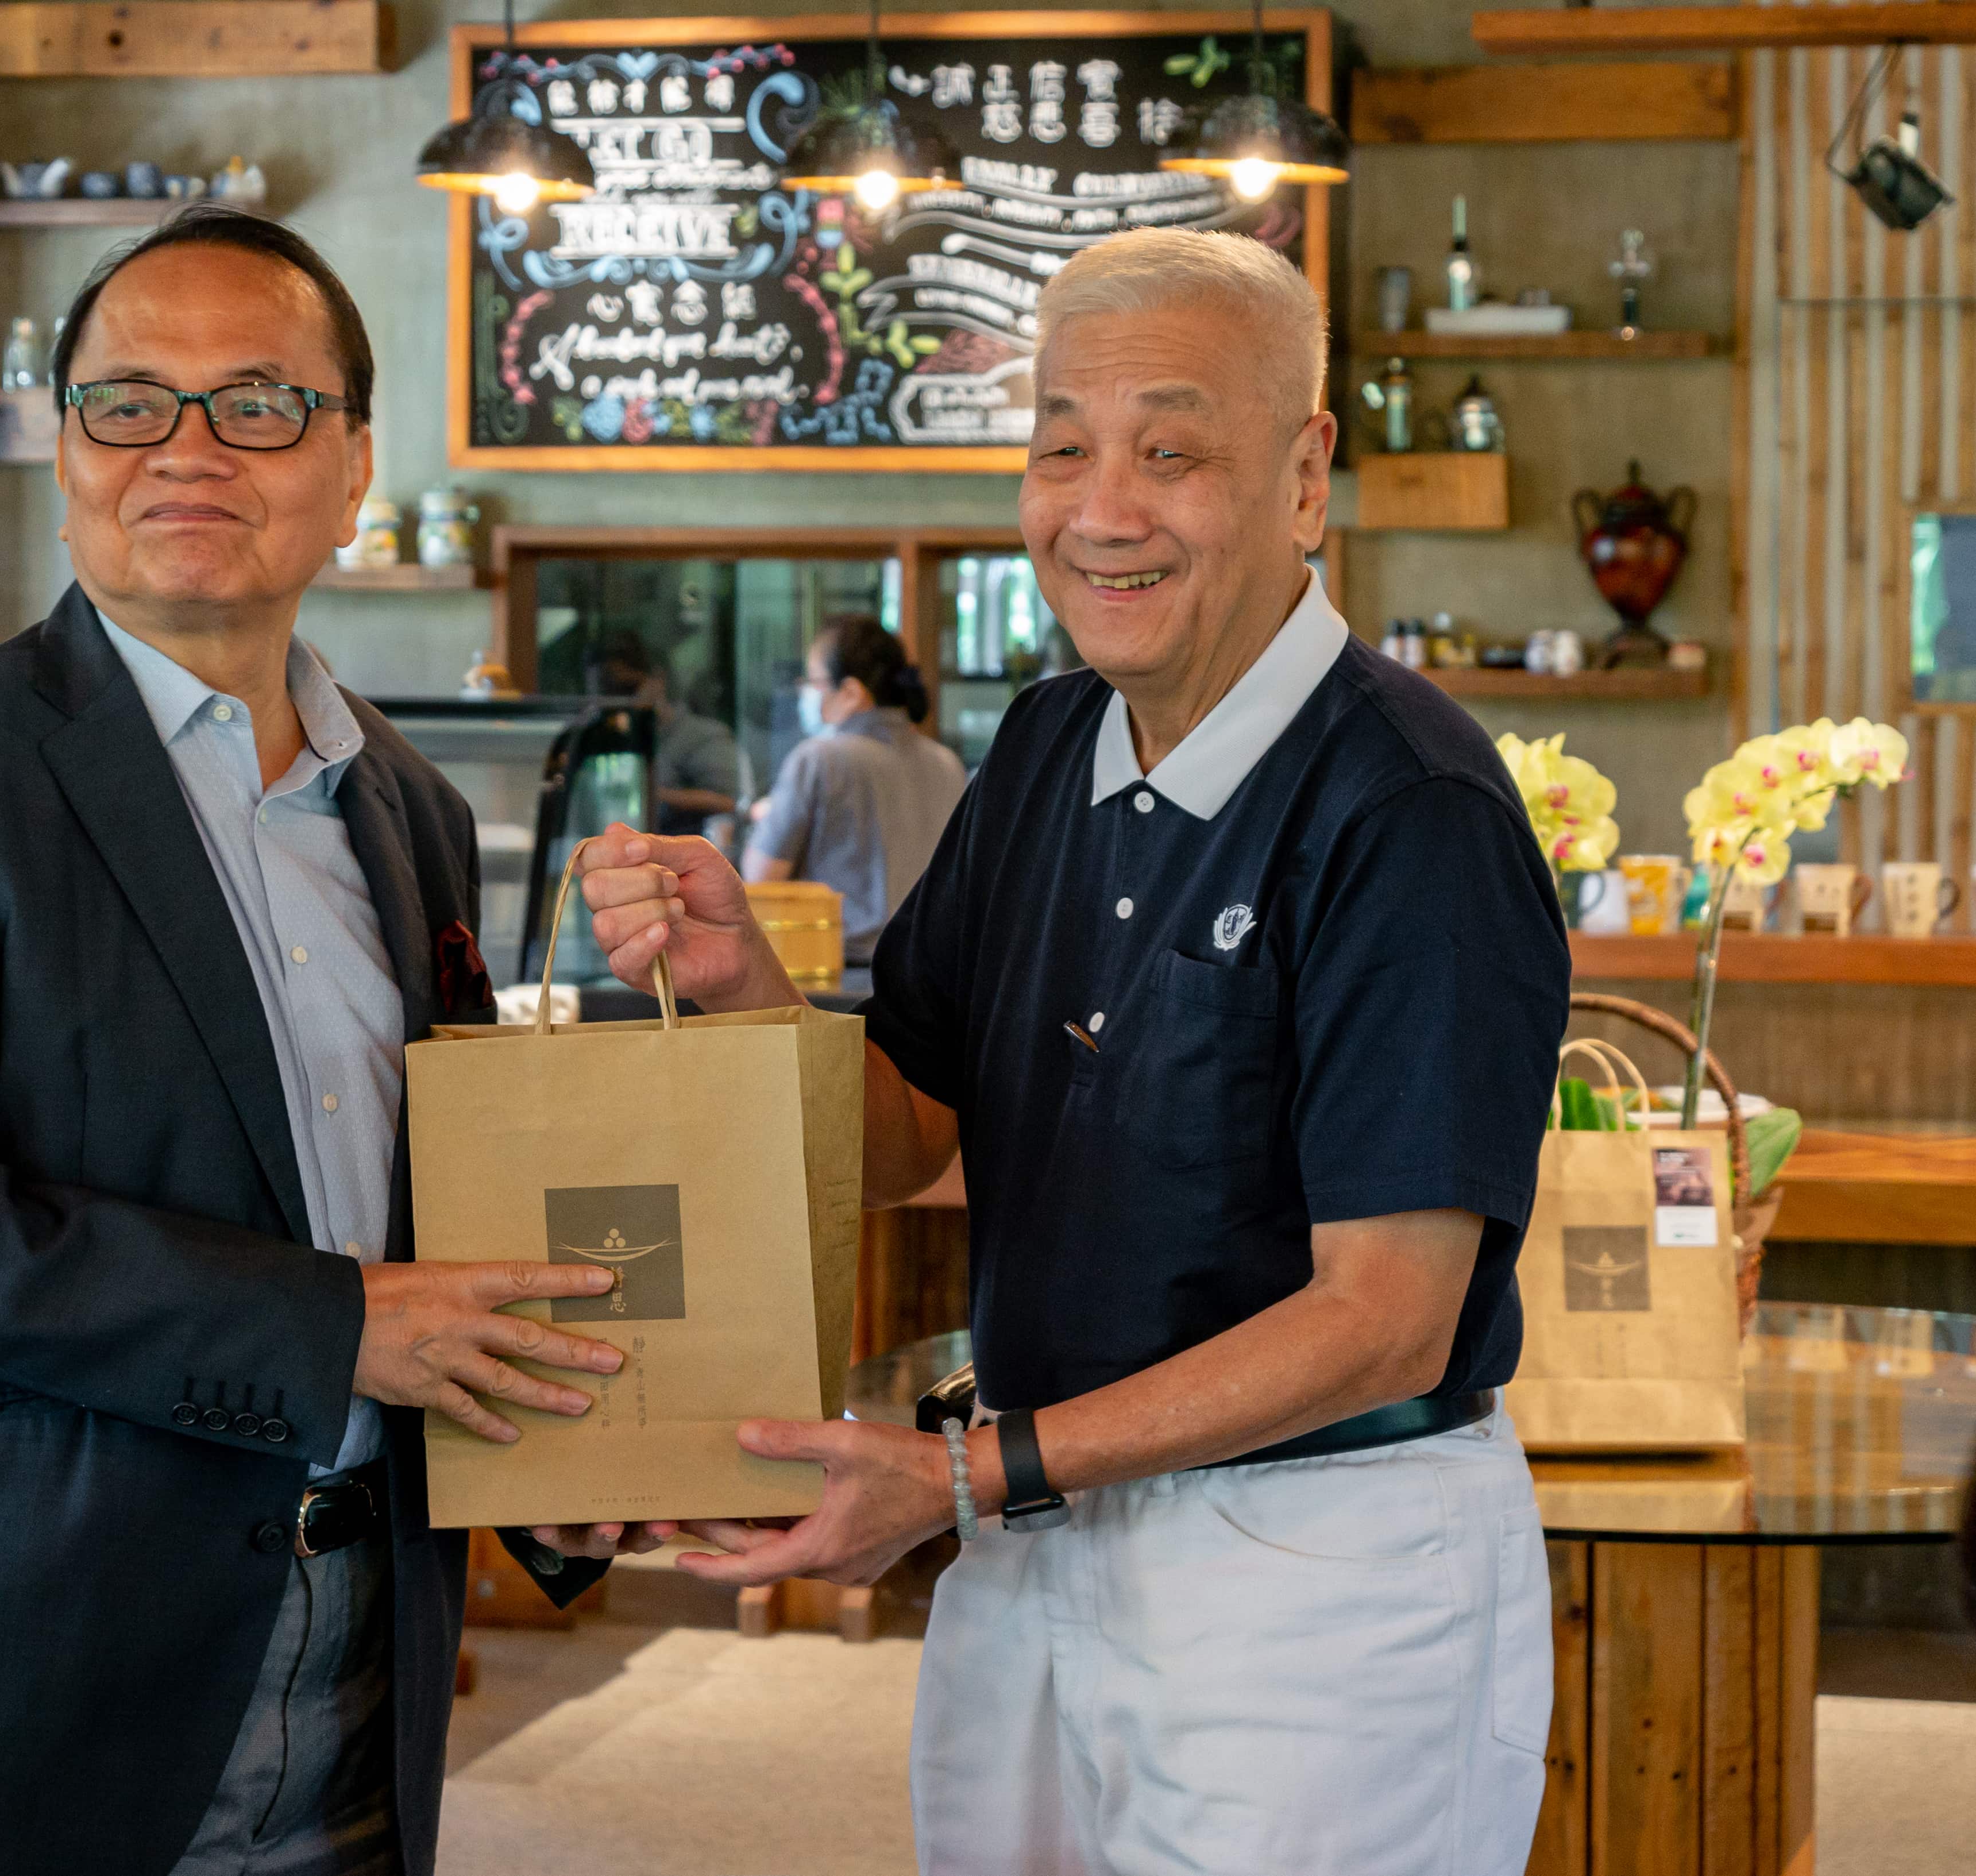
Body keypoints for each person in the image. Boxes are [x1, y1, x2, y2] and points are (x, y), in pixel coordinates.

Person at [573, 227, 1571, 1874]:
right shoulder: (1043, 745)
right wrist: (745, 977)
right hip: (1032, 1530)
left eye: (1172, 452)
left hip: (1315, 1567)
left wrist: (965, 1470)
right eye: (1059, 447)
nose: (1102, 510)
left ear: (1307, 473)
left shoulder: (1412, 808)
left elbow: (1387, 1323)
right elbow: (906, 1130)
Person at [0, 204, 655, 1876]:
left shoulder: (410, 806)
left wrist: (563, 1447)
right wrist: (329, 1329)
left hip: (360, 1624)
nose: (185, 450)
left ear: (353, 457)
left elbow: (429, 1210)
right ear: (64, 442)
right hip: (18, 1639)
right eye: (126, 400)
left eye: (256, 400)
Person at [744, 616, 967, 965]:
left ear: (850, 692)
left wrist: (767, 818)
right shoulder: (947, 764)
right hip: (937, 975)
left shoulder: (819, 759)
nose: (805, 694)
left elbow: (760, 882)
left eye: (812, 682)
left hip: (840, 972)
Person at [594, 631, 744, 837]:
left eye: (628, 688)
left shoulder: (703, 737)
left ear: (658, 680)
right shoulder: (604, 737)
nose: (620, 700)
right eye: (608, 691)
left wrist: (653, 795)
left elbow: (731, 803)